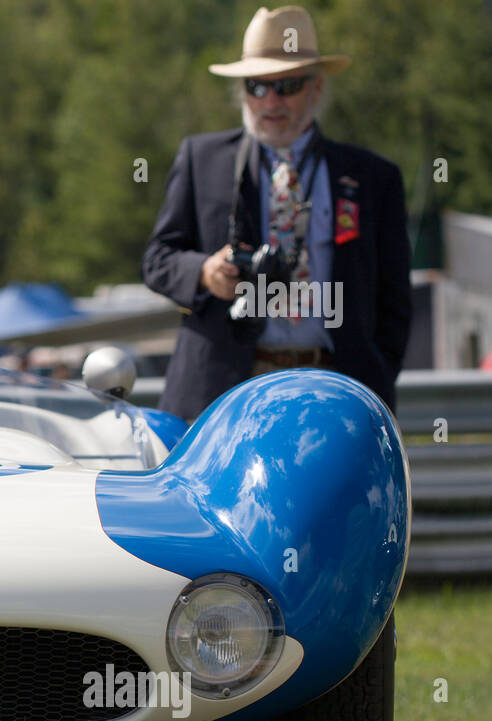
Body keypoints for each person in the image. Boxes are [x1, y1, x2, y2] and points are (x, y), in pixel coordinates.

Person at [142, 5, 411, 421]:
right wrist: (204, 272)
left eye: (286, 85)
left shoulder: (373, 177)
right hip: (225, 389)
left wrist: (375, 371)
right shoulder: (203, 159)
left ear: (316, 88)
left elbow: (395, 302)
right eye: (256, 86)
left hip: (335, 387)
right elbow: (158, 260)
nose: (270, 101)